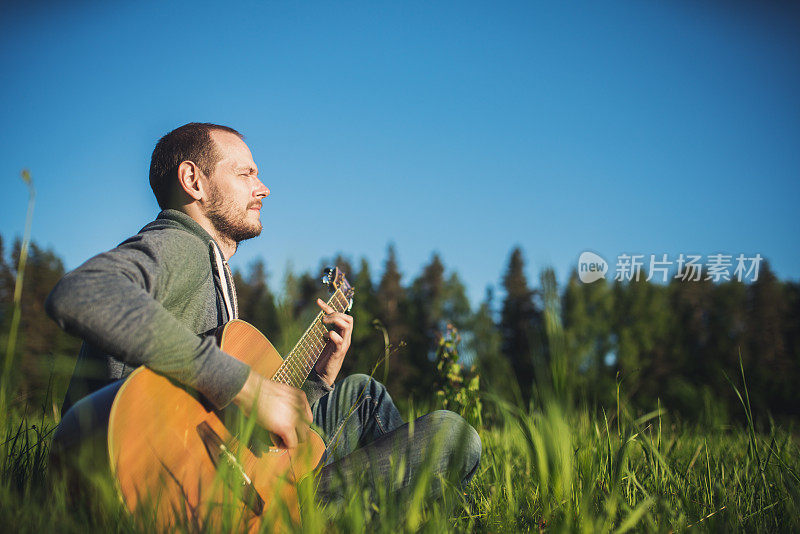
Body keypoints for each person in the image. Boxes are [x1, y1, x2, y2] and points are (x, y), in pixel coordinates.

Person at [46, 122, 481, 510]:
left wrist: (318, 380)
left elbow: (237, 431)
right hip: (175, 485)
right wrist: (247, 386)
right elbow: (83, 291)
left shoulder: (211, 270)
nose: (263, 187)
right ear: (192, 180)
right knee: (453, 435)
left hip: (221, 472)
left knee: (360, 392)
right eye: (246, 173)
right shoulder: (180, 244)